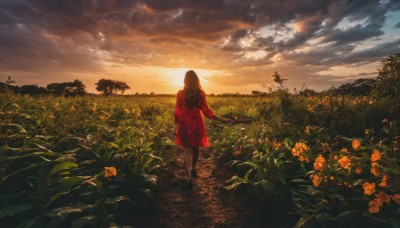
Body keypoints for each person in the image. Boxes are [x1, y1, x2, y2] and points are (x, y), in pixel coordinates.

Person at [174, 70, 230, 189]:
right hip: (197, 122)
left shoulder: (180, 93)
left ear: (185, 80)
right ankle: (193, 168)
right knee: (196, 148)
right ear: (197, 80)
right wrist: (220, 119)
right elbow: (206, 111)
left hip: (185, 122)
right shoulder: (201, 93)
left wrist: (176, 126)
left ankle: (189, 178)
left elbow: (178, 111)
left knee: (187, 151)